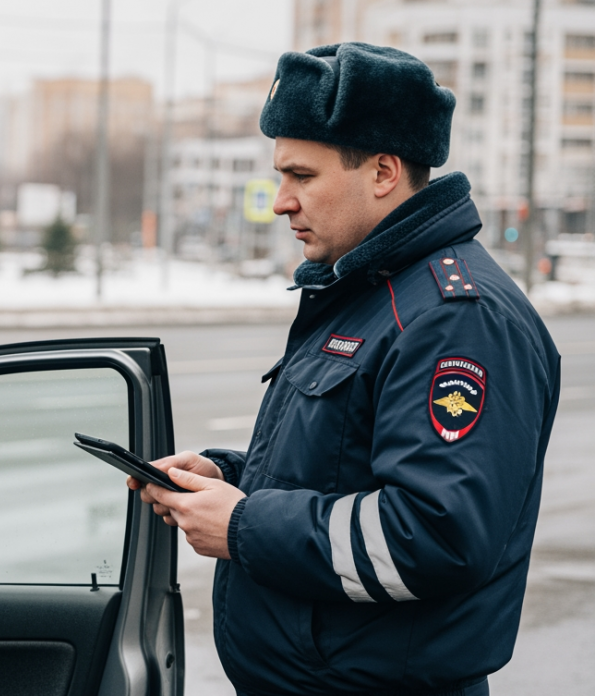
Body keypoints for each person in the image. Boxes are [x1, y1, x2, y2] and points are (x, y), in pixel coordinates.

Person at [129, 43, 560, 696]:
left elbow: (435, 537)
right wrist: (227, 479)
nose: (280, 202)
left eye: (301, 176)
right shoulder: (369, 291)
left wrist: (242, 527)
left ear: (383, 172)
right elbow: (345, 470)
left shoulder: (454, 316)